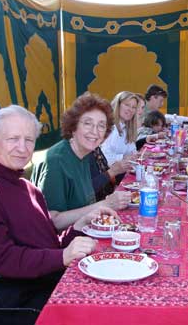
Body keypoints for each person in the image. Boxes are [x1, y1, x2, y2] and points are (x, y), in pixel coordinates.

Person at [0, 105, 118, 324]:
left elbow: (47, 242)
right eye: (13, 139)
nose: (22, 148)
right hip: (12, 299)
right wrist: (62, 256)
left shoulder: (27, 187)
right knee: (100, 312)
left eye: (29, 140)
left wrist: (78, 227)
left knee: (114, 288)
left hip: (40, 280)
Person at [32, 92, 131, 230]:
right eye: (87, 123)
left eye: (101, 126)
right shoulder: (56, 161)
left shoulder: (86, 153)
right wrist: (106, 204)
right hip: (59, 245)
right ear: (73, 127)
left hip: (81, 231)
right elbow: (52, 220)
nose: (94, 131)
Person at [100, 91, 139, 165]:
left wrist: (139, 155)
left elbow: (132, 150)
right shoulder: (109, 126)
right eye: (127, 105)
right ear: (118, 105)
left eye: (133, 107)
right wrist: (123, 157)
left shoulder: (127, 127)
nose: (130, 109)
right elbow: (104, 157)